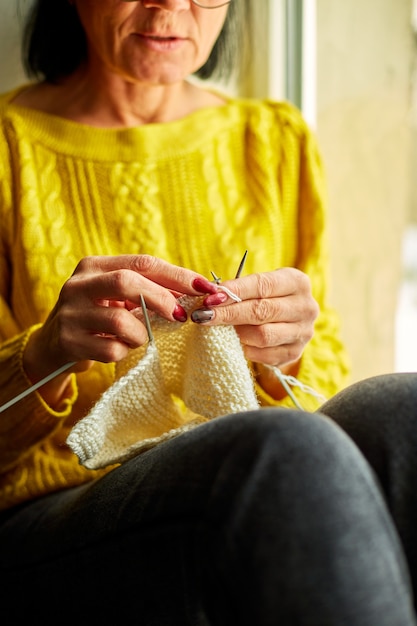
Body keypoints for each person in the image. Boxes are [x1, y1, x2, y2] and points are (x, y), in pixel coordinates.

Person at [0, 0, 416, 623]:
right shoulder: (9, 149)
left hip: (245, 464)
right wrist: (47, 351)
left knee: (402, 410)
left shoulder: (275, 143)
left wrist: (288, 351)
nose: (171, 4)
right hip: (51, 509)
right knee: (280, 450)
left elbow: (320, 378)